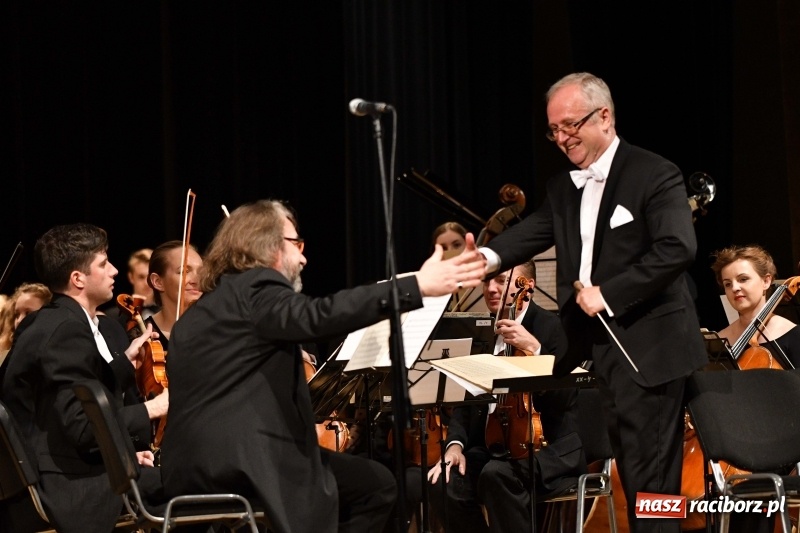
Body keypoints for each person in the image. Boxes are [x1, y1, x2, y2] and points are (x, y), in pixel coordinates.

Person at [160, 199, 486, 533]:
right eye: (296, 244)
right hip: (242, 464)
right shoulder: (257, 287)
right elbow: (318, 315)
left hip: (185, 468)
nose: (303, 257)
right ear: (269, 246)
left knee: (369, 481)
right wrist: (415, 287)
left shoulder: (199, 312)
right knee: (376, 486)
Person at [478, 72, 707, 532]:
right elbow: (536, 229)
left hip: (651, 346)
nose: (561, 138)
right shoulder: (565, 186)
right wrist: (481, 257)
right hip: (603, 349)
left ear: (604, 116)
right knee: (632, 470)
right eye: (553, 130)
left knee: (652, 482)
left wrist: (609, 292)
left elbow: (677, 248)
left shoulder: (653, 172)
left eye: (570, 125)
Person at [0, 223, 168, 533]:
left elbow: (58, 410)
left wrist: (123, 363)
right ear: (78, 278)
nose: (114, 271)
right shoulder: (66, 330)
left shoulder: (48, 320)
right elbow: (84, 427)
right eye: (104, 264)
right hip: (74, 488)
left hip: (60, 476)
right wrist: (153, 408)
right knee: (196, 483)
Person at [427, 259, 584, 532]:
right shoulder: (481, 332)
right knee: (443, 480)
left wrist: (535, 349)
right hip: (493, 449)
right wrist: (454, 446)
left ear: (528, 286)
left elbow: (567, 398)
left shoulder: (553, 328)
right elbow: (468, 401)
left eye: (500, 280)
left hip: (548, 448)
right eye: (487, 281)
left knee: (496, 475)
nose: (490, 288)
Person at [711, 244, 800, 368]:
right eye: (728, 284)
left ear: (766, 281)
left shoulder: (794, 335)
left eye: (743, 279)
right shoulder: (718, 341)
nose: (735, 288)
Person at [144, 240, 203, 350]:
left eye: (201, 272)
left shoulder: (216, 331)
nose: (197, 280)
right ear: (158, 282)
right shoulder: (141, 337)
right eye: (184, 271)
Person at [0, 282, 52, 364]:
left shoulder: (50, 356)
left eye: (28, 313)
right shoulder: (7, 354)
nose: (19, 320)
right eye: (17, 315)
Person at [128, 248, 158, 318]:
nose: (146, 283)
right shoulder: (113, 316)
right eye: (141, 277)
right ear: (131, 277)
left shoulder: (169, 314)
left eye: (150, 277)